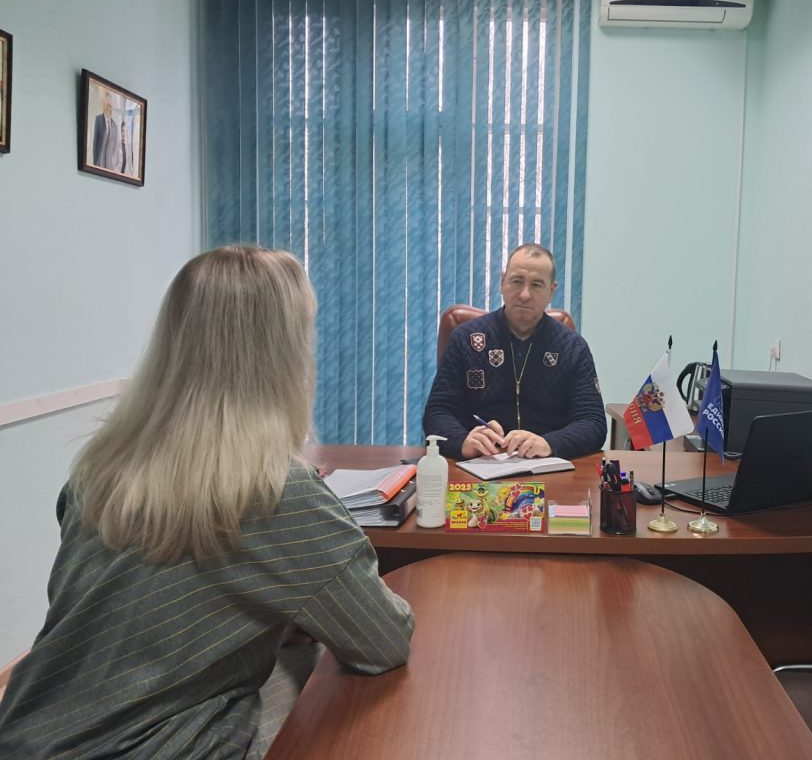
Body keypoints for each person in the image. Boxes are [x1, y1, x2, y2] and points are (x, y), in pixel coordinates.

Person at [0, 246, 415, 759]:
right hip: (152, 748)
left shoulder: (98, 468)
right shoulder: (278, 490)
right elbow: (382, 640)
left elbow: (123, 610)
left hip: (27, 737)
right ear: (284, 356)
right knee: (331, 695)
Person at [423, 243, 607, 460]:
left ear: (551, 291)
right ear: (502, 283)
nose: (524, 294)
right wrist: (462, 441)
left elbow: (593, 422)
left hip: (545, 464)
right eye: (517, 281)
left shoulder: (572, 347)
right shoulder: (465, 339)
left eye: (536, 285)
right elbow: (438, 412)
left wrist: (550, 443)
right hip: (479, 463)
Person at [91, 91, 118, 170]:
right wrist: (95, 163)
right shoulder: (98, 120)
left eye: (110, 106)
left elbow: (114, 149)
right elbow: (95, 143)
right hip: (99, 163)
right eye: (107, 105)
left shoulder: (115, 126)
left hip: (110, 167)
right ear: (103, 105)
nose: (109, 108)